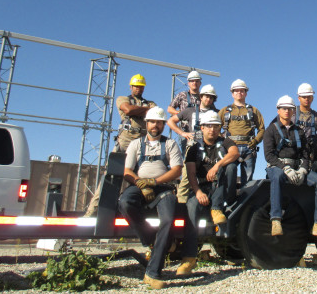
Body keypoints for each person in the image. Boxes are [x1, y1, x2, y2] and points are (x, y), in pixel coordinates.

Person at [118, 107, 183, 289]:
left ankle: (152, 273)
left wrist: (153, 182)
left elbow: (177, 170)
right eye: (153, 122)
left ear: (163, 125)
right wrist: (141, 183)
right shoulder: (136, 144)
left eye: (160, 122)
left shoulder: (170, 144)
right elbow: (128, 171)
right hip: (139, 186)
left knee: (168, 220)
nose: (156, 125)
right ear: (147, 123)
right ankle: (152, 239)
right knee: (124, 202)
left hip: (163, 188)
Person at [176, 111, 239, 275]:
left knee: (230, 165)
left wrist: (217, 166)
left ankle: (217, 208)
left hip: (221, 186)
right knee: (191, 208)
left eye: (216, 126)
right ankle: (189, 257)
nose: (212, 129)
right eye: (209, 126)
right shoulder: (194, 148)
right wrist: (197, 192)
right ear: (202, 128)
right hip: (201, 188)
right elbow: (190, 174)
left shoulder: (225, 141)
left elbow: (234, 153)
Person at [84, 73, 156, 217]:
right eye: (136, 86)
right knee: (111, 175)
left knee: (145, 175)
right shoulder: (122, 99)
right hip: (126, 140)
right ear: (131, 87)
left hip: (143, 141)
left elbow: (154, 112)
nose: (139, 89)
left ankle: (139, 210)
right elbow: (127, 109)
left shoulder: (150, 103)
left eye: (141, 87)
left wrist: (140, 110)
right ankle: (93, 210)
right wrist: (144, 110)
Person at [263, 96, 317, 240]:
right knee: (277, 178)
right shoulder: (271, 130)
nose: (287, 111)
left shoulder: (299, 131)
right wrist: (285, 168)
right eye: (284, 108)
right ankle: (276, 219)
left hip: (296, 166)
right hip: (277, 166)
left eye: (290, 109)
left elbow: (305, 154)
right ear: (278, 110)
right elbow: (269, 155)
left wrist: (303, 169)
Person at [168, 84, 221, 203]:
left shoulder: (217, 113)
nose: (208, 99)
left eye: (211, 97)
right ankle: (181, 205)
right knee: (187, 177)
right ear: (201, 97)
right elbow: (171, 121)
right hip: (194, 146)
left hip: (212, 149)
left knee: (217, 177)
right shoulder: (190, 111)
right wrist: (182, 133)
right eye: (206, 96)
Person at [219, 79, 265, 185]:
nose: (239, 93)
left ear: (246, 93)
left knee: (247, 182)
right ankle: (229, 201)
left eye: (242, 91)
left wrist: (256, 141)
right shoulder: (225, 111)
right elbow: (215, 127)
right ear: (232, 93)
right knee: (228, 177)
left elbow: (262, 129)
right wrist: (224, 142)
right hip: (231, 148)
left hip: (249, 148)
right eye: (236, 91)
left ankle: (245, 201)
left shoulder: (253, 111)